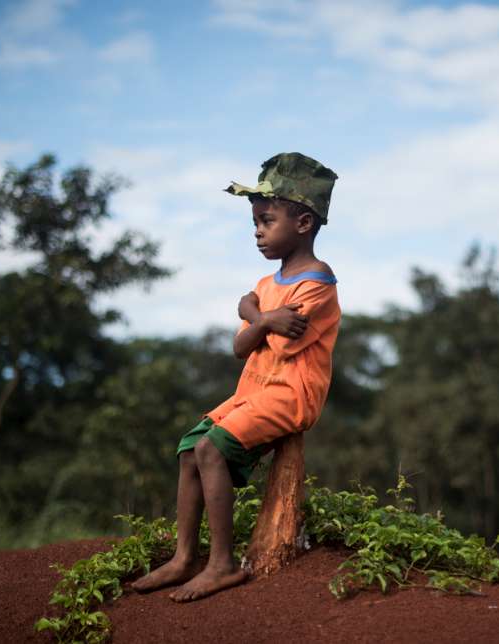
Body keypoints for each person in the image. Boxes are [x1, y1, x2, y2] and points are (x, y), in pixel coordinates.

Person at [132, 152, 341, 602]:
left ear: (303, 223)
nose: (257, 231)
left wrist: (252, 314)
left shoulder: (318, 283)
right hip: (254, 390)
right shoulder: (270, 285)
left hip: (292, 395)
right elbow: (239, 347)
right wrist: (265, 319)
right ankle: (184, 557)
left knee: (211, 448)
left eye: (266, 220)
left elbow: (284, 343)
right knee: (190, 449)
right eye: (256, 222)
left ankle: (222, 564)